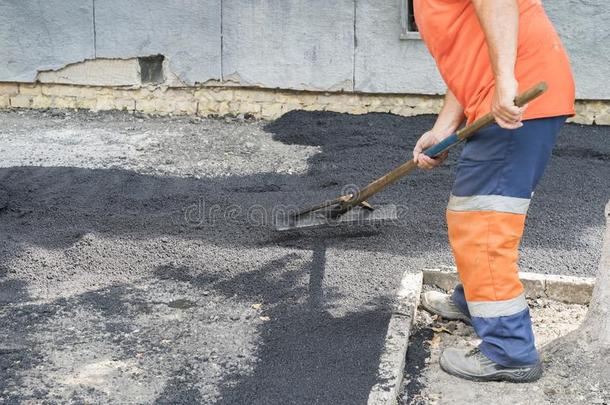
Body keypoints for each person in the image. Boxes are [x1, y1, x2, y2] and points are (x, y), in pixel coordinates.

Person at [412, 0, 575, 382]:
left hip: (517, 99)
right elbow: (470, 58)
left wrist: (506, 81)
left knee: (482, 225)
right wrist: (445, 127)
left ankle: (508, 351)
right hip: (503, 94)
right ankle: (475, 302)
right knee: (473, 215)